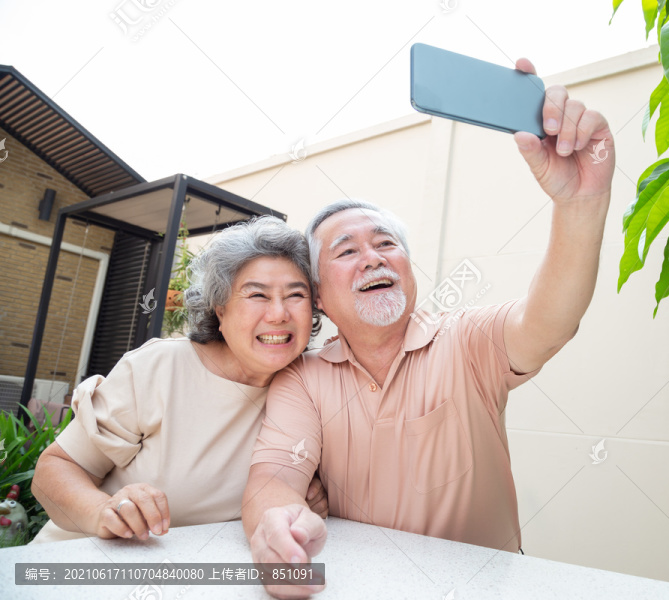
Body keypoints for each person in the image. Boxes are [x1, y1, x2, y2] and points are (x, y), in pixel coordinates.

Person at [243, 57, 613, 597]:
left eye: (386, 244)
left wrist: (582, 204)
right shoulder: (304, 379)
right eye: (348, 251)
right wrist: (275, 525)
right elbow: (275, 478)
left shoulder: (466, 340)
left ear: (409, 269)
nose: (374, 258)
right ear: (320, 295)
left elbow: (549, 321)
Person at [31, 216, 328, 543]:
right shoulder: (159, 367)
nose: (278, 314)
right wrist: (104, 510)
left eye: (296, 295)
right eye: (257, 295)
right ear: (220, 308)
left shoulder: (311, 385)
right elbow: (53, 471)